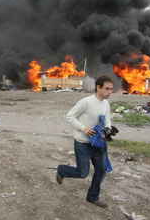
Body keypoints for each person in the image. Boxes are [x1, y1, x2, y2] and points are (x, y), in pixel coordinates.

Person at [56, 75, 114, 208]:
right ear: (98, 87)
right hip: (83, 143)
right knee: (82, 173)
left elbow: (107, 119)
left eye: (111, 89)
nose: (110, 92)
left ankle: (92, 197)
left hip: (98, 143)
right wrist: (84, 129)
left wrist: (108, 129)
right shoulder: (86, 102)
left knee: (101, 171)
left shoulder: (106, 103)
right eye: (107, 89)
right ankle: (62, 170)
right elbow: (69, 116)